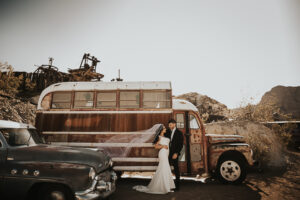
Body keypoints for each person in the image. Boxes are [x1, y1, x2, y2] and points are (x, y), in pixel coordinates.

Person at [133, 125, 175, 194]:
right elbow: (156, 146)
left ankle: (166, 187)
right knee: (164, 168)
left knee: (164, 168)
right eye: (164, 128)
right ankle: (164, 187)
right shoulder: (159, 137)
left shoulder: (164, 136)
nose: (165, 129)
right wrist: (163, 146)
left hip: (165, 154)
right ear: (161, 130)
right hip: (162, 154)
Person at [165, 119, 184, 191]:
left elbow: (180, 145)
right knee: (166, 168)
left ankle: (177, 186)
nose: (169, 126)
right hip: (167, 153)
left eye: (170, 125)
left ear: (174, 124)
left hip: (174, 154)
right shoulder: (167, 131)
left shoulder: (179, 133)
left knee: (176, 169)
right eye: (169, 125)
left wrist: (176, 153)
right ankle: (167, 185)